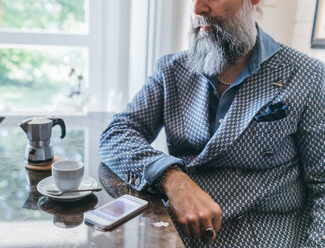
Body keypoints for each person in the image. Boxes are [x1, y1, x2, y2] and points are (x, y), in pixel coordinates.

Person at [99, 0, 325, 247]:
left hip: (265, 234)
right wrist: (173, 179)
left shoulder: (309, 76)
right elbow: (116, 134)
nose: (197, 9)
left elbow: (322, 186)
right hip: (176, 232)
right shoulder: (171, 70)